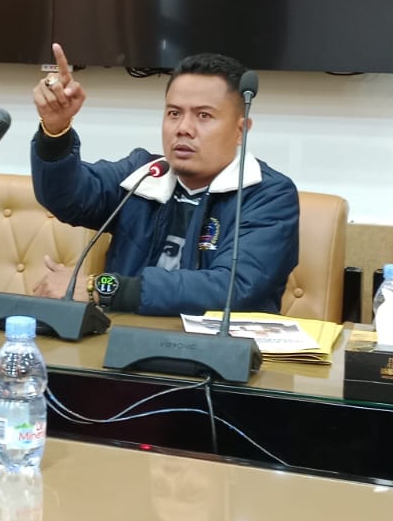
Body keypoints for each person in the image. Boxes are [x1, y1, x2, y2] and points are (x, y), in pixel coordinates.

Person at [28, 45, 299, 317]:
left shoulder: (268, 194)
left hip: (215, 342)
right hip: (123, 337)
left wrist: (103, 289)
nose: (183, 128)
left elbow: (234, 288)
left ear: (241, 131)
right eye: (174, 113)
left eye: (203, 116)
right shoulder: (143, 173)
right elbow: (67, 198)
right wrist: (55, 131)